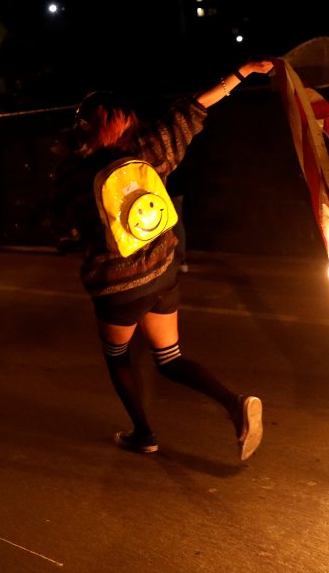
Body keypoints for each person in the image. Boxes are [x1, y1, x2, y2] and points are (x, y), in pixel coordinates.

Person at [53, 59, 274, 460]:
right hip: (162, 273)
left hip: (117, 286)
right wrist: (242, 73)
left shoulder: (72, 174)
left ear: (84, 126)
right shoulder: (149, 151)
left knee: (117, 356)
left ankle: (143, 433)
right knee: (170, 358)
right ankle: (233, 403)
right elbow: (191, 110)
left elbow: (68, 227)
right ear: (126, 121)